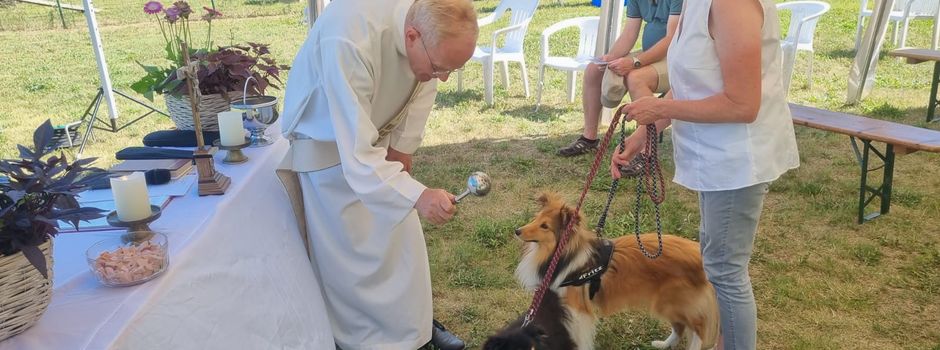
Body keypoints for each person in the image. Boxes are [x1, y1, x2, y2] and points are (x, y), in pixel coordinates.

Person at [277, 0, 478, 349]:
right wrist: (417, 194)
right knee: (356, 271)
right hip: (329, 156)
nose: (444, 77)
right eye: (440, 67)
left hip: (375, 149)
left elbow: (424, 83)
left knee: (403, 251)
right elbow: (356, 153)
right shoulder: (349, 37)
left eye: (451, 69)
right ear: (412, 36)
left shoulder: (427, 25)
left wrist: (402, 148)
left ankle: (415, 334)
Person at [609, 0, 799, 348]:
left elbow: (743, 104)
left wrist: (660, 106)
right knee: (716, 263)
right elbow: (694, 81)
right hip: (717, 158)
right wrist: (646, 132)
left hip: (738, 159)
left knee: (725, 271)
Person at [557, 0, 682, 159]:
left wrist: (635, 62)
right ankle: (589, 139)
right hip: (649, 54)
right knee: (594, 70)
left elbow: (671, 39)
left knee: (637, 78)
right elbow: (630, 32)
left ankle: (646, 152)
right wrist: (610, 57)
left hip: (675, 57)